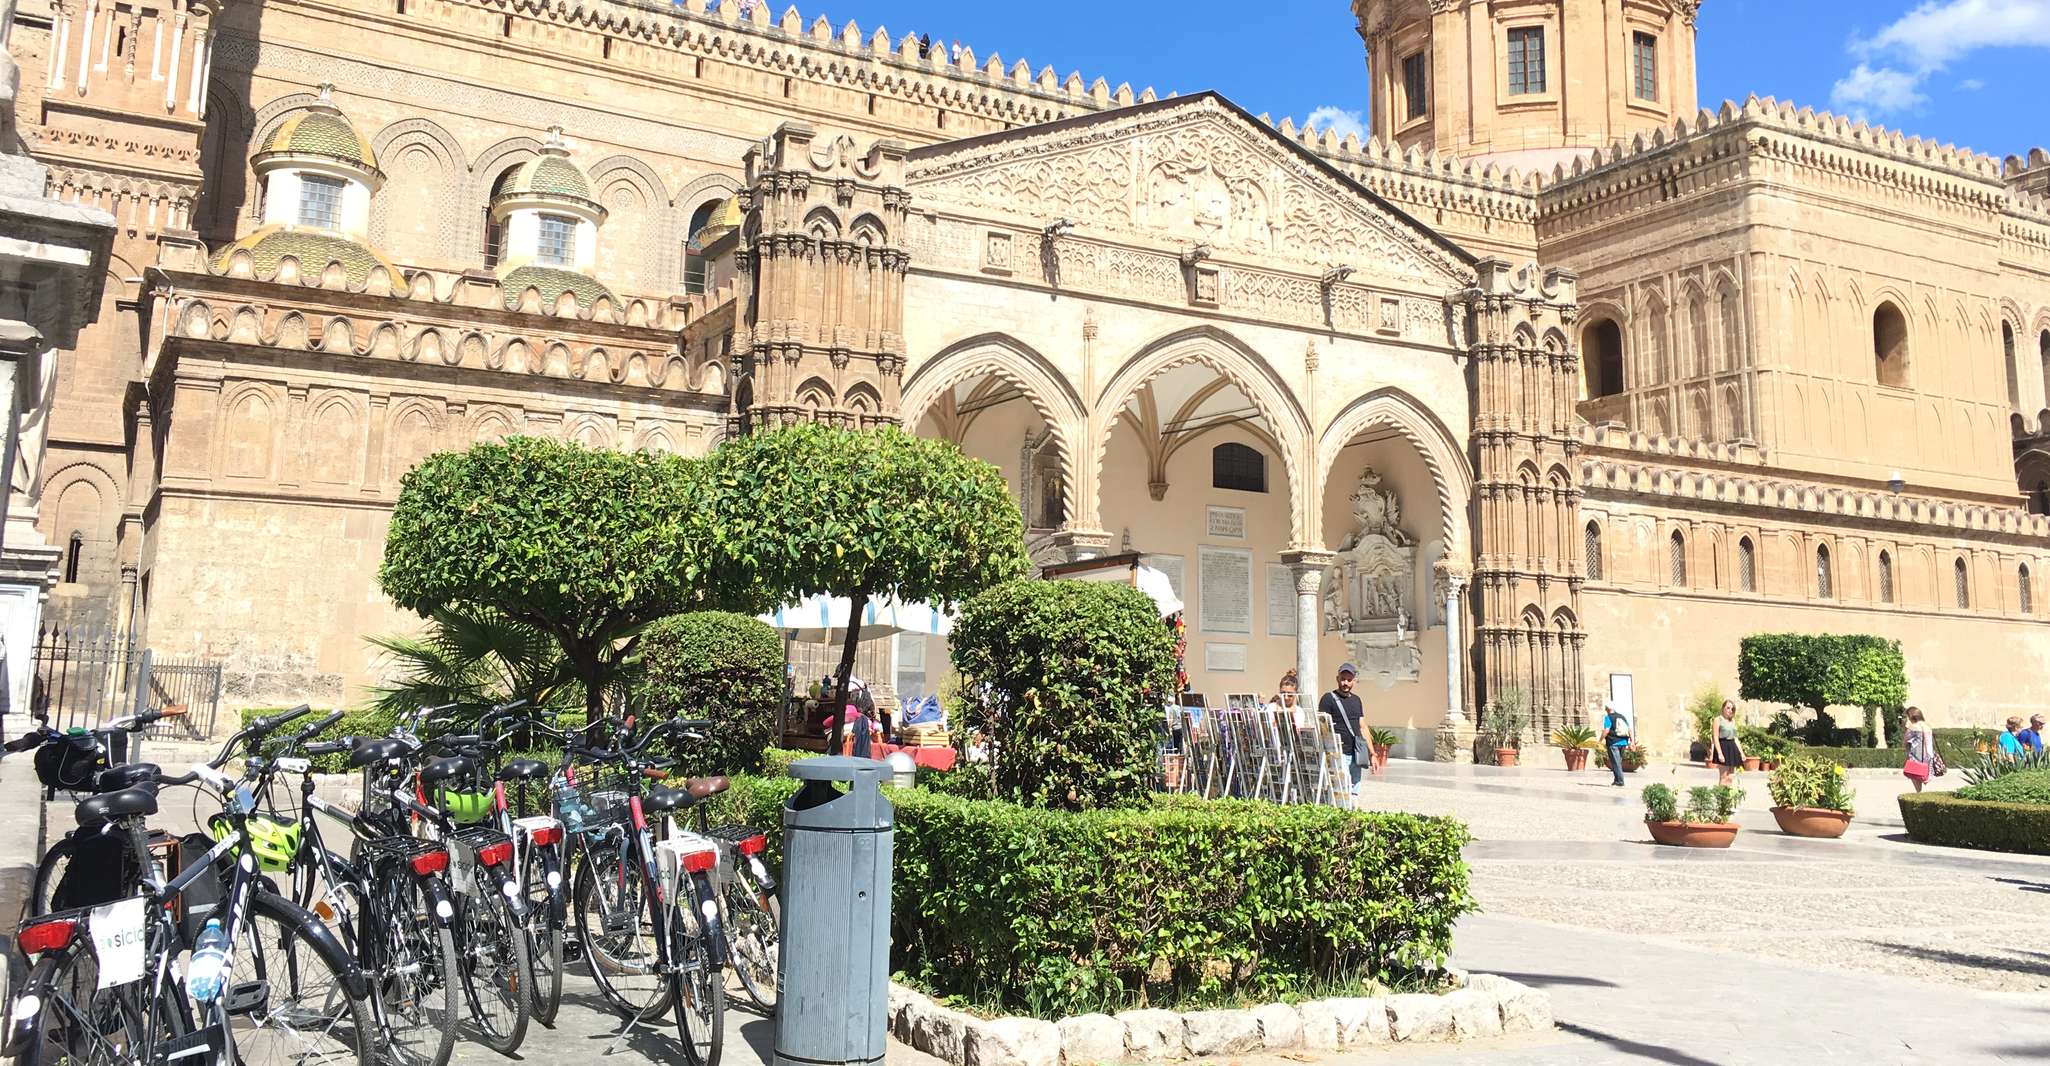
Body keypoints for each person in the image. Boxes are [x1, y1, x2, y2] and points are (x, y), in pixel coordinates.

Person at [1319, 663, 1365, 798]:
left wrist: (1372, 753)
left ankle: (1353, 813)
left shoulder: (1357, 700)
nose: (1345, 683)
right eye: (1343, 679)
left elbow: (1363, 726)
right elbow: (1323, 725)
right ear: (1337, 679)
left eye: (1349, 680)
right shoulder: (1328, 699)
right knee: (1340, 791)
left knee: (1354, 790)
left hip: (1356, 752)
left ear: (1354, 681)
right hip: (1339, 753)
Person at [1707, 698, 1744, 787]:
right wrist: (1719, 753)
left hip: (1732, 748)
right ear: (1723, 708)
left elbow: (1735, 738)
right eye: (1728, 708)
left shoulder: (1732, 721)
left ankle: (1728, 798)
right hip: (1723, 747)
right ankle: (1721, 799)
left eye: (1732, 709)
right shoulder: (1717, 720)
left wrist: (1742, 753)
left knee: (1730, 777)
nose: (1730, 710)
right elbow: (1715, 738)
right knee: (1723, 777)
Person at [1902, 706, 1936, 793]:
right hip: (1929, 758)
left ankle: (1922, 803)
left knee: (1918, 787)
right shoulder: (1928, 727)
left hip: (1916, 758)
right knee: (1924, 782)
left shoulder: (1913, 727)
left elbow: (1905, 742)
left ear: (1911, 716)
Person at [1600, 700, 1632, 787]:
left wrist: (1600, 740)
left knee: (1616, 763)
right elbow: (1629, 729)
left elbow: (1606, 730)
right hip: (1623, 742)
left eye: (1605, 708)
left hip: (1613, 742)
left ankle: (1620, 782)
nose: (1605, 709)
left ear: (1608, 708)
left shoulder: (1608, 717)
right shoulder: (1622, 716)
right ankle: (1616, 780)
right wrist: (1632, 741)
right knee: (1618, 762)